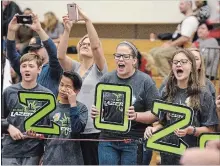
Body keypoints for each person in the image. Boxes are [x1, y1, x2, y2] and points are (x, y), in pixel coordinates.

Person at [144, 49, 218, 165]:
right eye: (175, 62)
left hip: (192, 157)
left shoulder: (203, 93)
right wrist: (153, 129)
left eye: (184, 61)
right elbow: (162, 122)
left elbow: (211, 129)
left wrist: (191, 130)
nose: (179, 64)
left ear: (192, 66)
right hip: (168, 154)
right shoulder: (165, 91)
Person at [91, 41, 160, 165]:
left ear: (134, 60)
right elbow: (99, 109)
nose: (120, 59)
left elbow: (156, 114)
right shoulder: (106, 79)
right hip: (107, 140)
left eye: (125, 56)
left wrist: (137, 116)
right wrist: (97, 113)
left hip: (134, 141)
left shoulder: (145, 81)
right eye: (118, 56)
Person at [57, 5, 107, 165]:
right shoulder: (74, 68)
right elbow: (60, 55)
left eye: (88, 43)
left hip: (93, 130)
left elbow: (96, 46)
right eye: (82, 44)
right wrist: (67, 29)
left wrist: (87, 20)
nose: (85, 45)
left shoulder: (100, 69)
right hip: (72, 126)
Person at [1, 53, 52, 165]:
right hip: (9, 151)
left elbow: (50, 128)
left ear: (39, 69)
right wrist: (8, 127)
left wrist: (40, 134)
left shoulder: (47, 95)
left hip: (33, 153)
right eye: (24, 66)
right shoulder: (9, 92)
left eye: (31, 66)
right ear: (20, 69)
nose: (27, 69)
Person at [29, 71, 87, 165]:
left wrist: (73, 104)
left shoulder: (81, 108)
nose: (63, 89)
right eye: (61, 84)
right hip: (51, 159)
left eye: (68, 87)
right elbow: (44, 134)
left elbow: (76, 130)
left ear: (76, 91)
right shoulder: (51, 107)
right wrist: (37, 136)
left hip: (73, 160)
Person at [6, 13, 63, 97]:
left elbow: (54, 53)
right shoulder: (26, 66)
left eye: (37, 49)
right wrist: (11, 31)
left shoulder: (53, 68)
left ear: (45, 48)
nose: (33, 52)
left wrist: (39, 30)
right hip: (26, 108)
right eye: (31, 49)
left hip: (46, 108)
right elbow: (12, 55)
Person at [150, 0, 199, 77]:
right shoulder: (186, 20)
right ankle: (164, 75)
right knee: (152, 51)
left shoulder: (191, 20)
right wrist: (169, 43)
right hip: (176, 46)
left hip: (182, 49)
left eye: (182, 4)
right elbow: (178, 36)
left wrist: (170, 45)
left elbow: (185, 38)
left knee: (159, 54)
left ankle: (170, 79)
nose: (179, 6)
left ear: (189, 4)